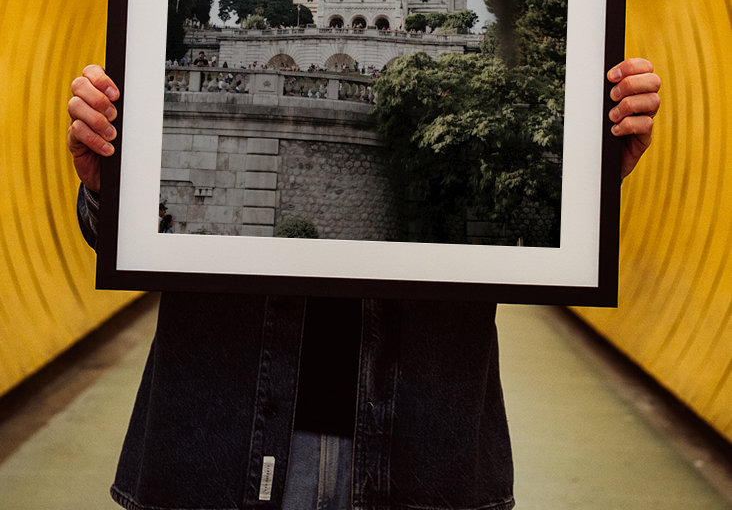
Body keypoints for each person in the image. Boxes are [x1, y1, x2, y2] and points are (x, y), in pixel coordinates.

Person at [68, 58, 660, 510]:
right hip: (222, 440)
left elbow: (528, 236)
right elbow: (136, 240)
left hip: (421, 447)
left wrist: (586, 178)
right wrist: (108, 187)